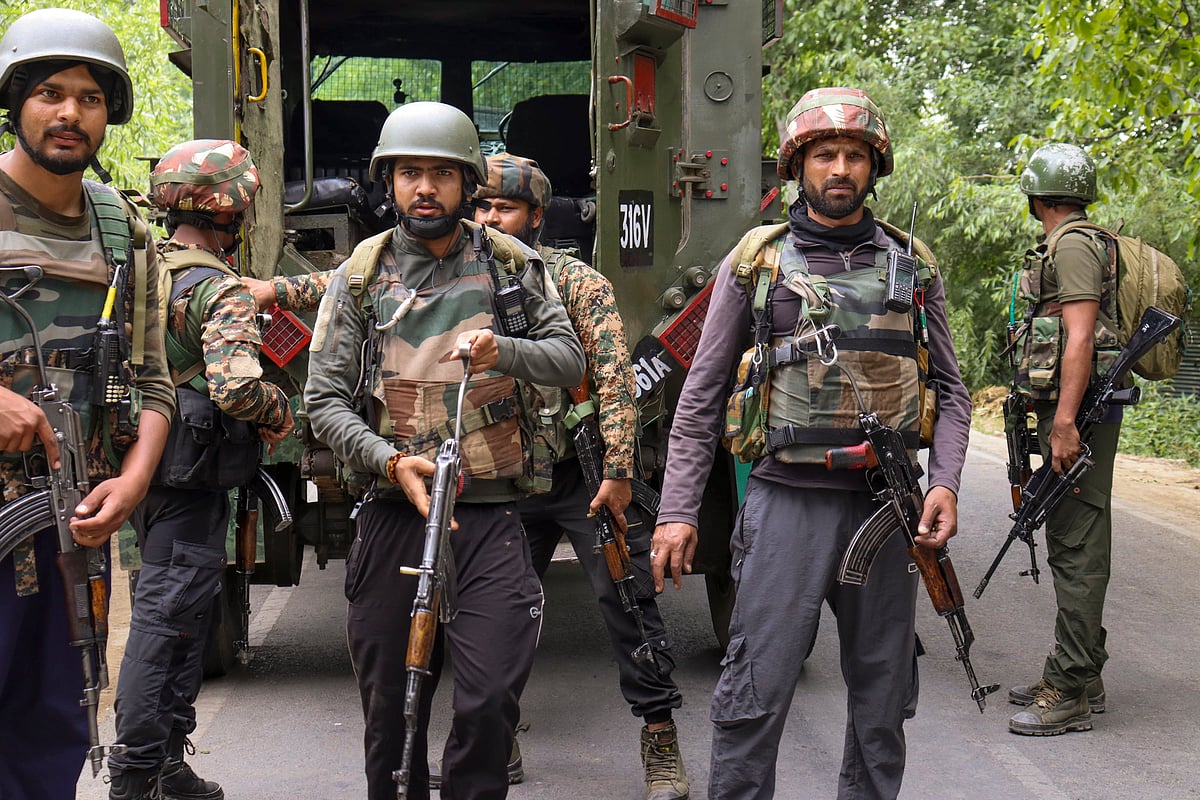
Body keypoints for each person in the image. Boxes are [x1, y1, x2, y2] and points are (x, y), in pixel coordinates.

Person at [651, 87, 972, 800]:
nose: (839, 168)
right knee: (754, 694)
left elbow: (952, 391)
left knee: (883, 704)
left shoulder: (912, 263)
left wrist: (944, 481)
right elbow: (701, 395)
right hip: (784, 506)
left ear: (873, 167)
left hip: (884, 514)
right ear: (798, 165)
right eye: (824, 154)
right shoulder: (758, 260)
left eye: (854, 155)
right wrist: (676, 511)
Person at [303, 101, 585, 800]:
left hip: (489, 517)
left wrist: (505, 348)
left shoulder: (511, 265)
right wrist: (389, 460)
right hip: (392, 511)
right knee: (391, 716)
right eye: (408, 173)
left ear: (467, 184)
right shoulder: (362, 276)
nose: (423, 188)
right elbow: (324, 402)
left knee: (489, 701)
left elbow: (567, 357)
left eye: (439, 173)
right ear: (388, 182)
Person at [470, 153, 688, 800]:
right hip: (500, 482)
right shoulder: (455, 279)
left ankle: (660, 741)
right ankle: (494, 739)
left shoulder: (575, 282)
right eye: (480, 207)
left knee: (628, 603)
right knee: (490, 620)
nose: (489, 219)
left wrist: (618, 471)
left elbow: (617, 381)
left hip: (576, 475)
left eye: (503, 207)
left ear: (537, 217)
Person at [0, 9, 175, 800]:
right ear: (16, 102)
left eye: (89, 97)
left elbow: (152, 380)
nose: (69, 112)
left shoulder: (122, 230)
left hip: (72, 526)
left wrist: (134, 482)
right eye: (48, 92)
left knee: (56, 724)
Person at [102, 139, 295, 800]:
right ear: (234, 210)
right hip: (189, 478)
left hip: (138, 467)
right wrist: (277, 407)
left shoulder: (144, 267)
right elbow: (236, 388)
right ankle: (136, 776)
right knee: (166, 623)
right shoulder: (218, 287)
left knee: (179, 617)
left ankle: (166, 765)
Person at [1005, 142, 1114, 736]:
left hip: (1078, 413)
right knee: (1073, 533)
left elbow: (1078, 338)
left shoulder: (1071, 244)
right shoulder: (1070, 241)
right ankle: (1086, 673)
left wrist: (1066, 422)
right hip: (1072, 410)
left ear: (1036, 194)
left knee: (1076, 545)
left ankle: (1069, 687)